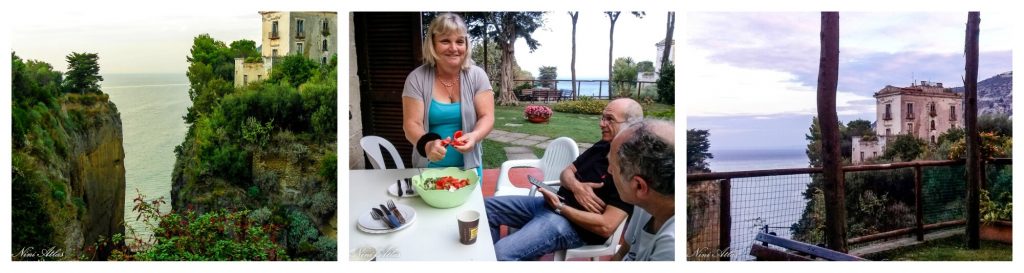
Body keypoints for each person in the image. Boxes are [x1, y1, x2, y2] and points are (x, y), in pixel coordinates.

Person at [486, 98, 644, 261]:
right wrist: (576, 187)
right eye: (602, 117)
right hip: (550, 205)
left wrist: (561, 207)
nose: (602, 124)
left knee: (501, 253)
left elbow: (605, 226)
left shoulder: (631, 168)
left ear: (632, 125)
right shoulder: (603, 146)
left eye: (609, 119)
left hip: (574, 226)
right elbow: (566, 172)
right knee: (487, 208)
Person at [402, 13, 494, 175]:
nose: (454, 48)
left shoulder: (478, 75)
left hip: (469, 168)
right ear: (433, 44)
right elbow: (411, 124)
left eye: (459, 41)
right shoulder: (416, 78)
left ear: (466, 45)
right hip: (428, 168)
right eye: (445, 41)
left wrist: (474, 136)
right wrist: (428, 145)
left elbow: (487, 116)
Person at [609, 119, 675, 261]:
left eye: (612, 167)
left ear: (639, 186)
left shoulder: (671, 247)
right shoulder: (645, 206)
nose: (608, 171)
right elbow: (622, 253)